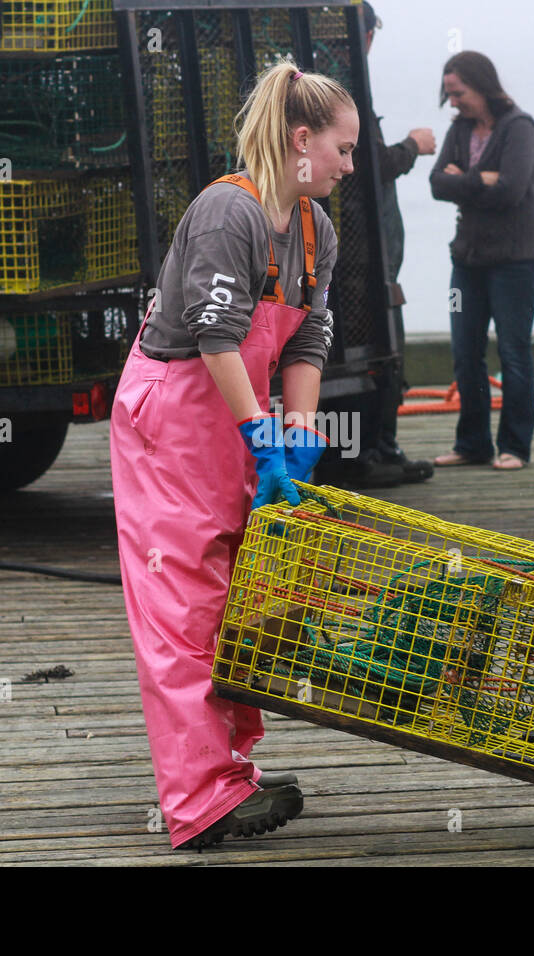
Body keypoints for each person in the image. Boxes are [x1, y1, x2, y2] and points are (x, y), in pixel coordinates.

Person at [109, 60, 357, 851]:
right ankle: (197, 800)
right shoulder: (230, 211)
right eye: (343, 150)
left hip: (231, 413)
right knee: (180, 602)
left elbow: (309, 335)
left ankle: (230, 771)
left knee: (234, 596)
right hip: (176, 413)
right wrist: (261, 434)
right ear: (301, 139)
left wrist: (304, 433)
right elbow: (215, 332)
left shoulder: (316, 229)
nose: (351, 166)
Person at [312, 1, 437, 489]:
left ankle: (366, 451)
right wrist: (411, 147)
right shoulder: (343, 91)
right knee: (373, 354)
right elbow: (366, 166)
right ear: (362, 36)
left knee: (352, 353)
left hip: (344, 254)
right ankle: (366, 454)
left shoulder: (314, 86)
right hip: (358, 259)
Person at [430, 51, 534, 471]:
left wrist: (462, 179)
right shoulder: (459, 128)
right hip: (468, 259)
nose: (453, 101)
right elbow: (436, 184)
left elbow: (513, 190)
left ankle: (515, 446)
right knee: (465, 351)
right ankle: (472, 443)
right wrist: (481, 178)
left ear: (481, 86)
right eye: (448, 94)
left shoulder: (520, 127)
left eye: (458, 93)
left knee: (514, 353)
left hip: (518, 260)